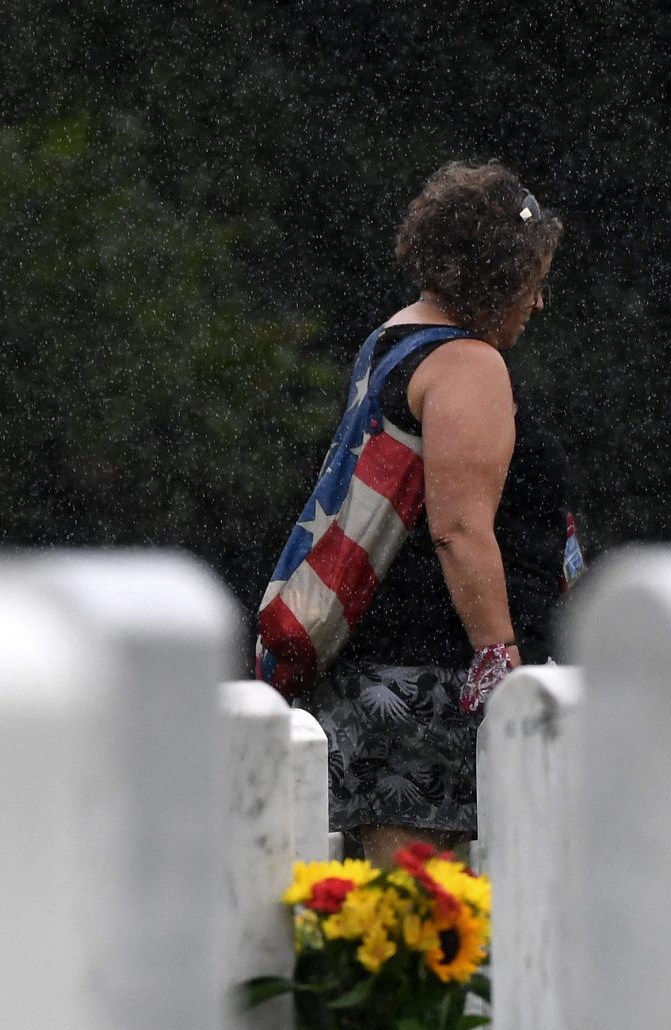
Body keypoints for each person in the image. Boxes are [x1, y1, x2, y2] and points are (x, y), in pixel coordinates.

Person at [255, 161, 575, 864]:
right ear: (496, 277)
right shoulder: (466, 364)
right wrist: (502, 663)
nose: (538, 303)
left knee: (394, 922)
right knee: (427, 930)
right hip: (433, 685)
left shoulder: (391, 342)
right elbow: (459, 529)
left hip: (379, 678)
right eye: (532, 281)